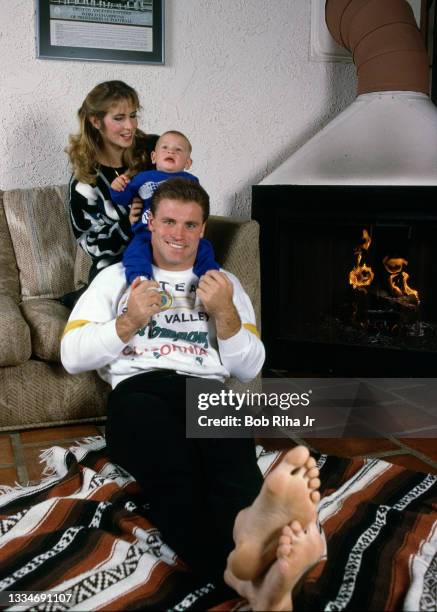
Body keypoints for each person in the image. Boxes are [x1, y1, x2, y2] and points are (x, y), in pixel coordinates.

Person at [61, 178, 324, 610]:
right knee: (176, 466)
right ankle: (233, 573)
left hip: (204, 389)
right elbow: (71, 355)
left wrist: (224, 313)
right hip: (139, 390)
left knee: (232, 461)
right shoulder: (115, 279)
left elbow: (250, 366)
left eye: (189, 224)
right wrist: (127, 323)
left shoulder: (225, 285)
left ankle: (261, 557)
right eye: (168, 221)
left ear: (203, 228)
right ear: (151, 222)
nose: (178, 235)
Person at [66, 80, 157, 287]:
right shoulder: (85, 181)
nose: (130, 126)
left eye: (133, 116)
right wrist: (128, 224)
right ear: (96, 122)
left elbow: (183, 192)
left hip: (167, 260)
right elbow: (93, 246)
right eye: (119, 118)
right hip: (116, 271)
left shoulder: (153, 150)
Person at [109, 130, 219, 285]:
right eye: (165, 148)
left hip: (179, 235)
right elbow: (124, 198)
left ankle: (209, 276)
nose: (170, 151)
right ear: (154, 157)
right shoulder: (143, 178)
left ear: (188, 163)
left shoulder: (190, 181)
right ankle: (140, 280)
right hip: (145, 232)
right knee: (135, 252)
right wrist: (117, 188)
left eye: (178, 150)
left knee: (204, 247)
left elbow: (199, 206)